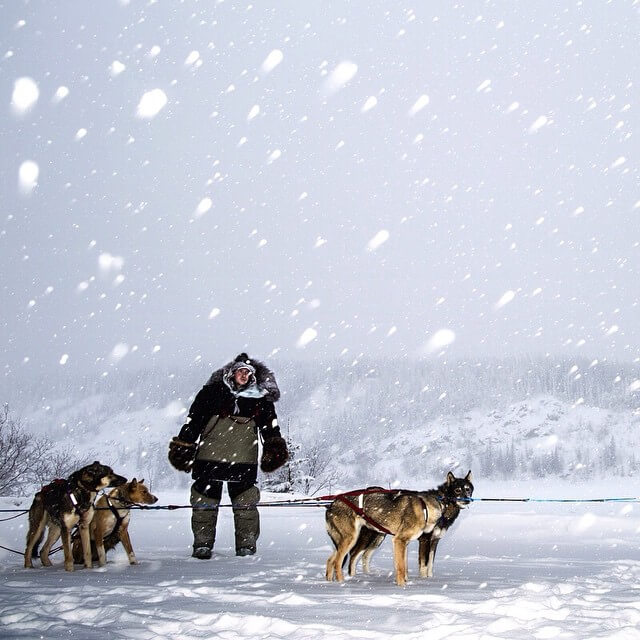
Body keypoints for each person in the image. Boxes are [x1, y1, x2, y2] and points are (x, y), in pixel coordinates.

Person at [169, 353, 288, 559]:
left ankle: (246, 546)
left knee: (246, 505)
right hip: (208, 457)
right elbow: (194, 421)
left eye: (248, 373)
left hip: (243, 458)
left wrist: (273, 446)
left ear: (253, 377)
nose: (244, 375)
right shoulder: (211, 393)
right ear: (232, 373)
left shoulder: (261, 399)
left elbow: (270, 427)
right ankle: (202, 545)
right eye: (241, 371)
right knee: (204, 503)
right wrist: (185, 444)